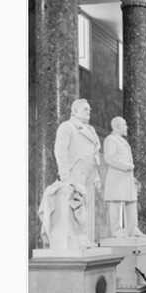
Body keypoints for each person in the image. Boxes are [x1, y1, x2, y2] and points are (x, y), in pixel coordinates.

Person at [40, 98, 101, 249]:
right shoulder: (67, 126)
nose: (89, 112)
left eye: (89, 109)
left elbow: (95, 154)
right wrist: (64, 171)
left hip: (90, 171)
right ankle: (76, 239)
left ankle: (86, 237)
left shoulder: (91, 130)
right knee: (76, 204)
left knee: (87, 207)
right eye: (85, 109)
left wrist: (98, 174)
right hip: (76, 168)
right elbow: (60, 148)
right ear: (74, 111)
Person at [103, 116, 144, 237]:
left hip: (126, 177)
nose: (127, 127)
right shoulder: (110, 139)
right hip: (117, 176)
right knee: (115, 202)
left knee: (131, 201)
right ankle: (116, 231)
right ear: (117, 127)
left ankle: (133, 228)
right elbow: (109, 158)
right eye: (124, 125)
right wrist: (127, 166)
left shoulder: (123, 140)